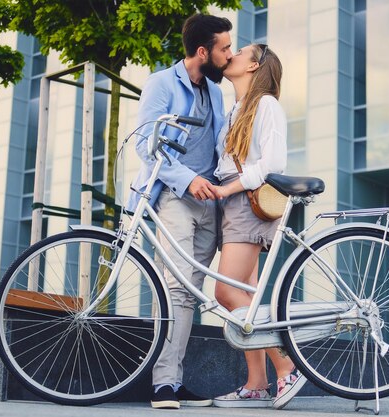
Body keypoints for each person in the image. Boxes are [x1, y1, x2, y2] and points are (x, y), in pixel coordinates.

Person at [126, 13, 232, 410]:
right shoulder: (161, 84)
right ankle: (163, 385)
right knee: (174, 288)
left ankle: (174, 380)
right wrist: (187, 180)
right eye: (224, 48)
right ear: (203, 51)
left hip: (211, 205)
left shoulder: (216, 92)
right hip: (174, 198)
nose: (229, 54)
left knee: (188, 294)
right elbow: (145, 144)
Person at [210, 44, 307, 409]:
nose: (230, 55)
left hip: (246, 204)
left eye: (239, 52)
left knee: (226, 294)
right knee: (246, 299)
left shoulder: (266, 105)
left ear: (253, 65)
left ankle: (287, 368)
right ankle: (256, 382)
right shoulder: (235, 109)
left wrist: (228, 188)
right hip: (232, 205)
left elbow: (273, 162)